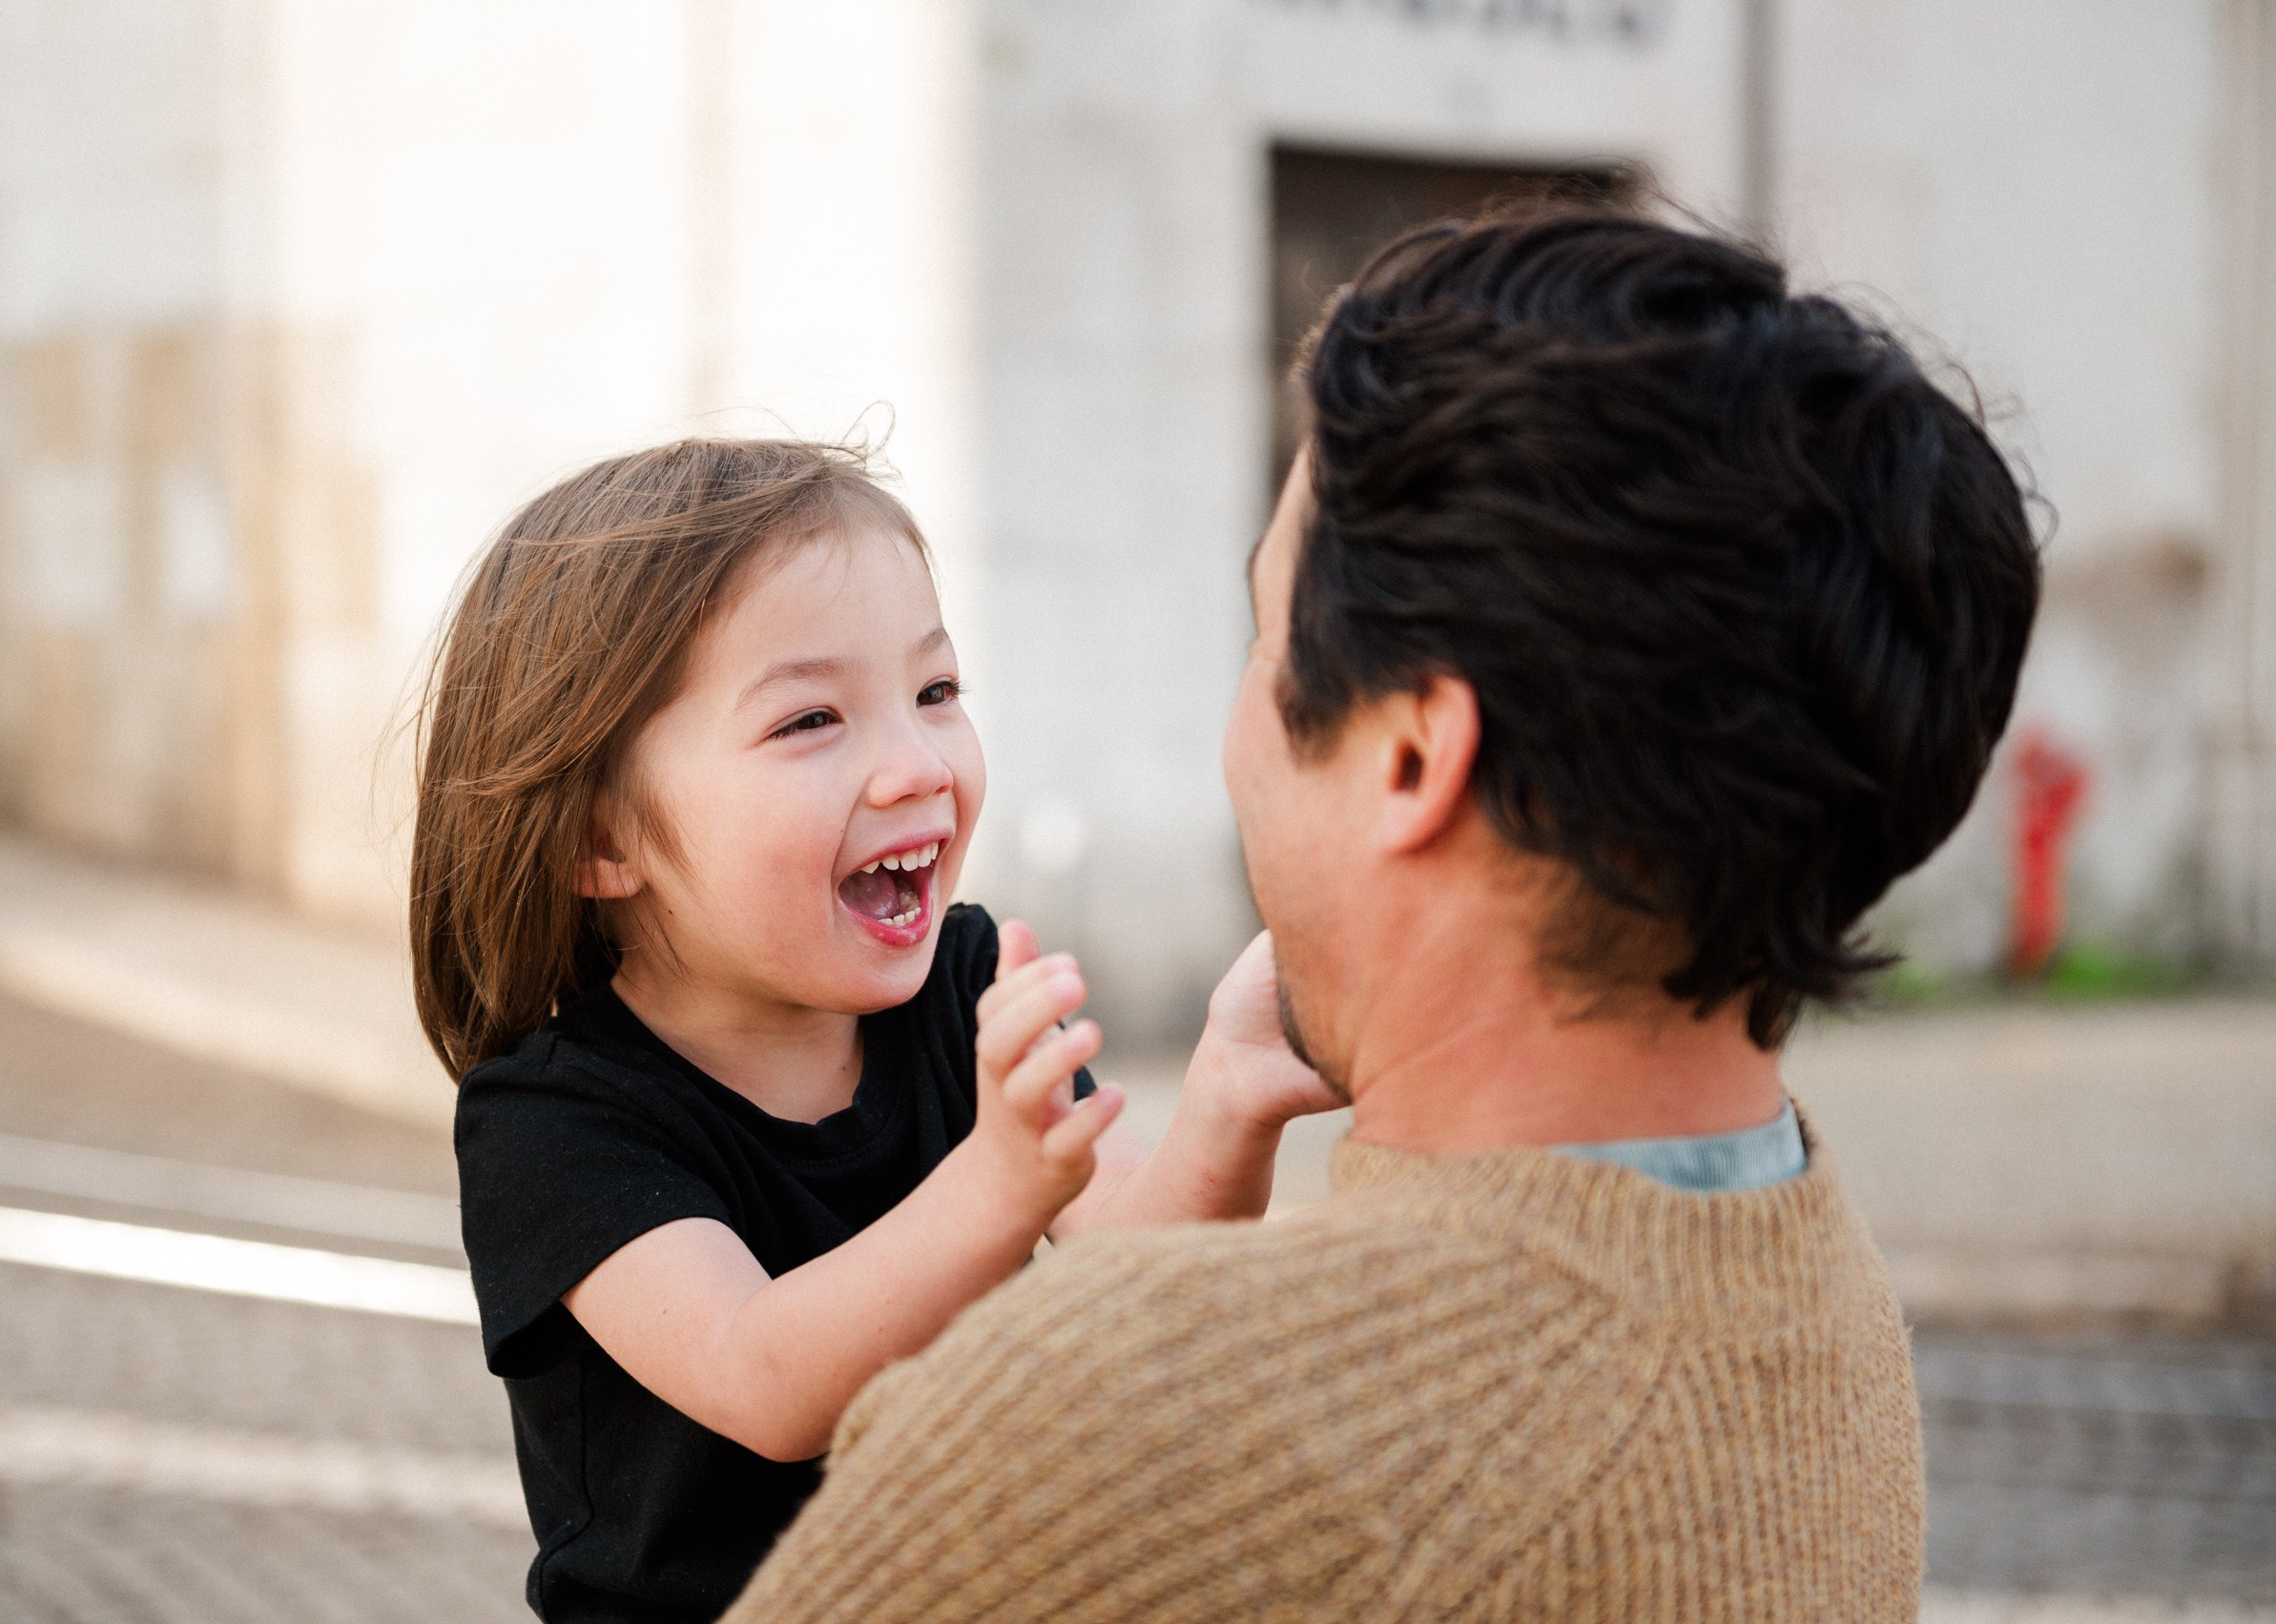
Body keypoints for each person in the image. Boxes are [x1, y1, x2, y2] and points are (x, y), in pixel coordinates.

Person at [718, 209, 2042, 1621]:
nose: (1235, 734)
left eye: (1269, 641)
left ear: (1412, 756)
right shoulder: (1824, 1286)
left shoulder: (1112, 1413)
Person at [410, 440, 1343, 1623]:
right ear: (602, 841)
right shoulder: (552, 1120)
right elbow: (762, 1374)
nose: (915, 764)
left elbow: (1137, 1267)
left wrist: (1229, 1086)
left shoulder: (962, 986)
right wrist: (1001, 1180)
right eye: (810, 718)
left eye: (936, 692)